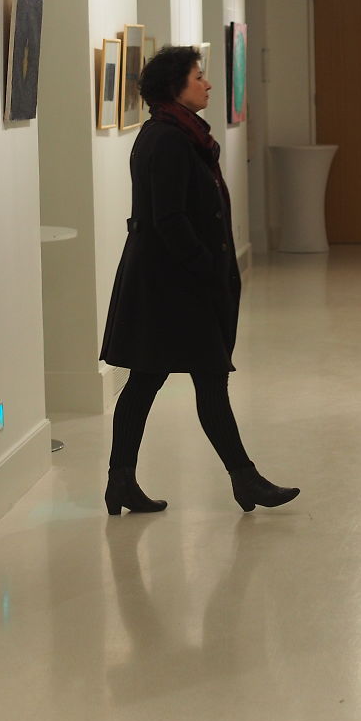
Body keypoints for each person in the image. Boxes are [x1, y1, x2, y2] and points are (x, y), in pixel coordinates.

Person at [99, 45, 299, 515]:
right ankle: (243, 479)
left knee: (155, 379)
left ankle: (124, 481)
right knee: (194, 378)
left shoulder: (177, 133)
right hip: (173, 285)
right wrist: (207, 267)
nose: (208, 84)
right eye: (198, 77)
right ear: (176, 86)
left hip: (170, 281)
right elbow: (169, 218)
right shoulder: (167, 139)